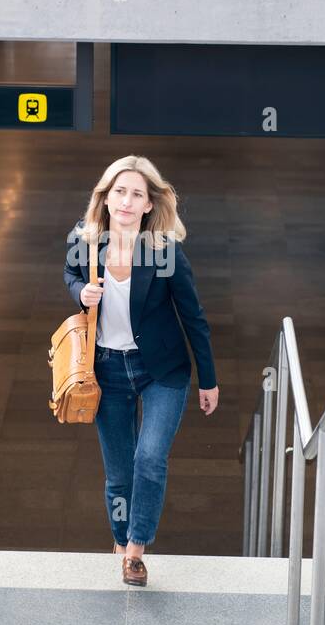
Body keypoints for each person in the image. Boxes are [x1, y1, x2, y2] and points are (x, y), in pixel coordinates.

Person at [62, 155, 218, 587]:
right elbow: (69, 273)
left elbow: (194, 316)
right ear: (106, 198)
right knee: (120, 473)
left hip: (161, 372)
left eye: (137, 194)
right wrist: (82, 291)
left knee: (149, 459)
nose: (127, 201)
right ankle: (120, 538)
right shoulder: (85, 240)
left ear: (150, 204)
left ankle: (135, 551)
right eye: (119, 192)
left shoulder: (164, 254)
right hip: (107, 370)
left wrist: (208, 379)